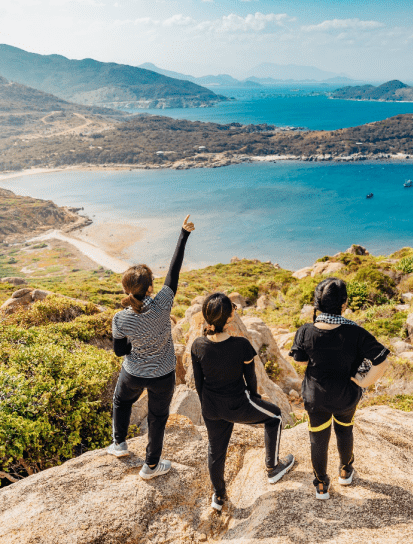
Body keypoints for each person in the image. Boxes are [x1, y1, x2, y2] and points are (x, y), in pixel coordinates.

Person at [106, 215, 195, 481]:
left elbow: (120, 352)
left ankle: (119, 444)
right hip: (163, 374)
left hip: (133, 372)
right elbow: (174, 272)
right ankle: (151, 466)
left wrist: (138, 349)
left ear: (125, 289)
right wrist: (183, 233)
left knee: (122, 402)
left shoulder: (120, 318)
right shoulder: (163, 303)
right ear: (151, 287)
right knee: (157, 418)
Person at [191, 293, 295, 511]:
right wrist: (255, 399)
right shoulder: (240, 345)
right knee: (275, 416)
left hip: (211, 406)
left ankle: (218, 496)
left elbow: (199, 383)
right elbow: (251, 379)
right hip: (238, 404)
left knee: (215, 450)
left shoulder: (198, 345)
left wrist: (208, 406)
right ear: (229, 319)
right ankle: (273, 467)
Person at [290, 277, 390, 500]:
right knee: (345, 430)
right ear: (344, 303)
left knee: (318, 438)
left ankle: (321, 484)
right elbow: (381, 360)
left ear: (317, 303)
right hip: (346, 395)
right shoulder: (356, 333)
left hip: (316, 397)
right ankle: (345, 470)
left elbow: (300, 360)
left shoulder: (305, 331)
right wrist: (363, 382)